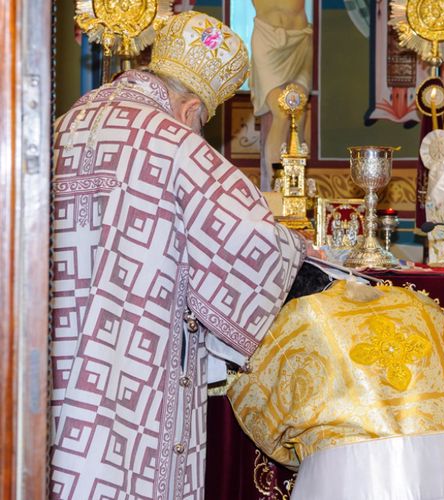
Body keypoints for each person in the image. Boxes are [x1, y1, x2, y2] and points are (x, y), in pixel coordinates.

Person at [49, 11, 306, 499]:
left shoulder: (63, 125)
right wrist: (298, 247)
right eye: (203, 121)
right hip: (133, 360)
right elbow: (255, 242)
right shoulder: (175, 142)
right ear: (190, 110)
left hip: (52, 358)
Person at [228, 261, 444, 500]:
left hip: (358, 481)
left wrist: (309, 456)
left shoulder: (300, 317)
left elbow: (258, 412)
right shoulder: (418, 302)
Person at [250, 0, 313, 189]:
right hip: (266, 40)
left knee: (297, 110)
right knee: (281, 112)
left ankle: (295, 183)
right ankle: (275, 184)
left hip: (299, 40)